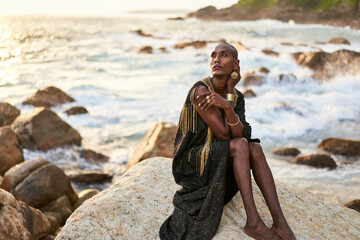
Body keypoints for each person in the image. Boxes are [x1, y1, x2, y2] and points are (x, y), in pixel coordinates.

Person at [159, 42, 296, 240]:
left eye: (223, 55)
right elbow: (225, 134)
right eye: (213, 55)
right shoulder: (201, 92)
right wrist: (227, 108)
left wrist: (229, 99)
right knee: (241, 145)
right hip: (194, 161)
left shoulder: (236, 96)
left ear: (235, 64)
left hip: (217, 155)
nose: (216, 59)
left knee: (255, 147)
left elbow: (241, 133)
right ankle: (253, 221)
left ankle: (280, 223)